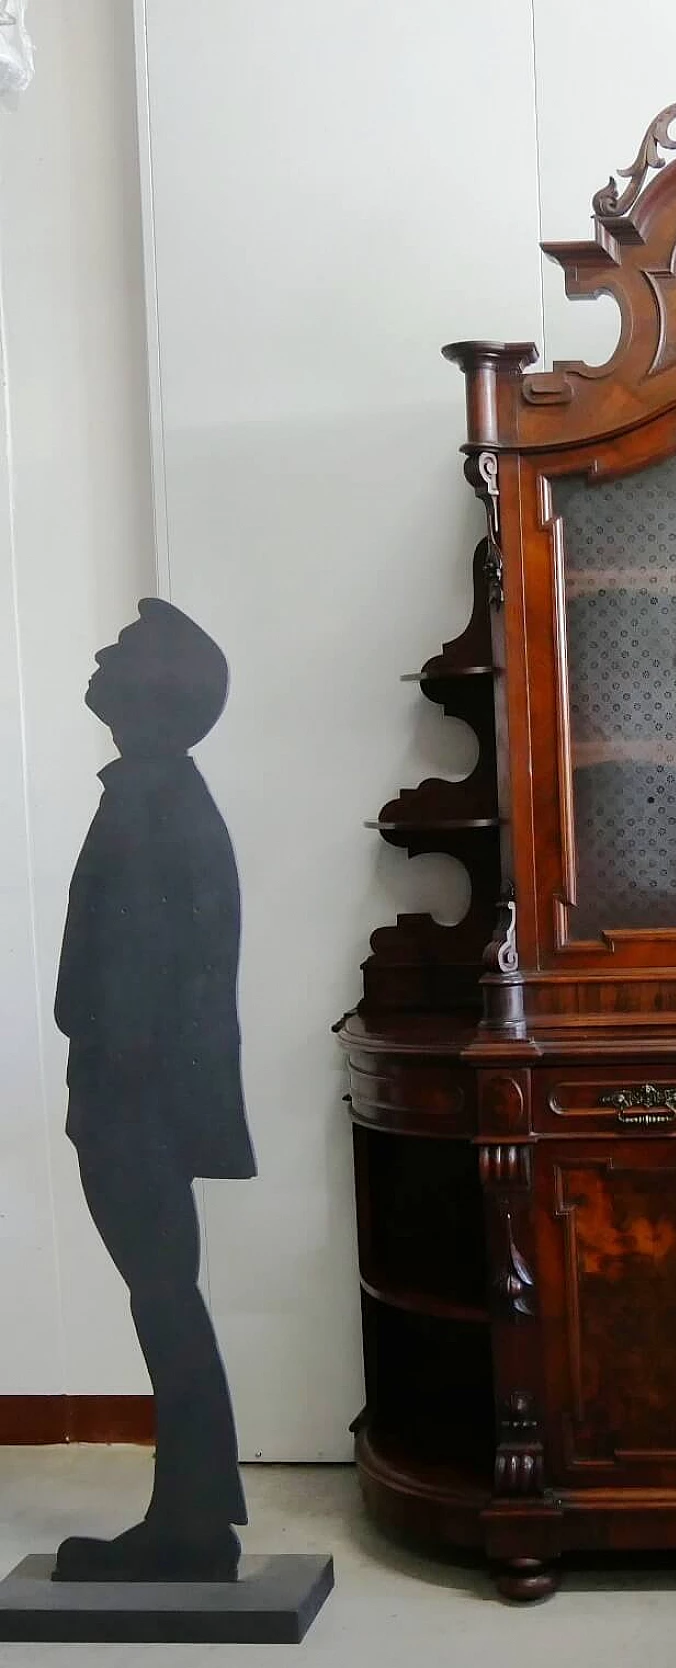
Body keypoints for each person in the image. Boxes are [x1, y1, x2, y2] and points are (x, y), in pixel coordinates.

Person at [51, 598, 255, 1583]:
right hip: (145, 1096)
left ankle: (189, 1521)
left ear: (158, 691)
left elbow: (131, 975)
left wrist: (111, 1085)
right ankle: (196, 1511)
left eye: (123, 649)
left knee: (162, 1295)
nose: (100, 655)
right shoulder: (161, 789)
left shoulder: (149, 796)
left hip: (136, 1100)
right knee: (166, 1294)